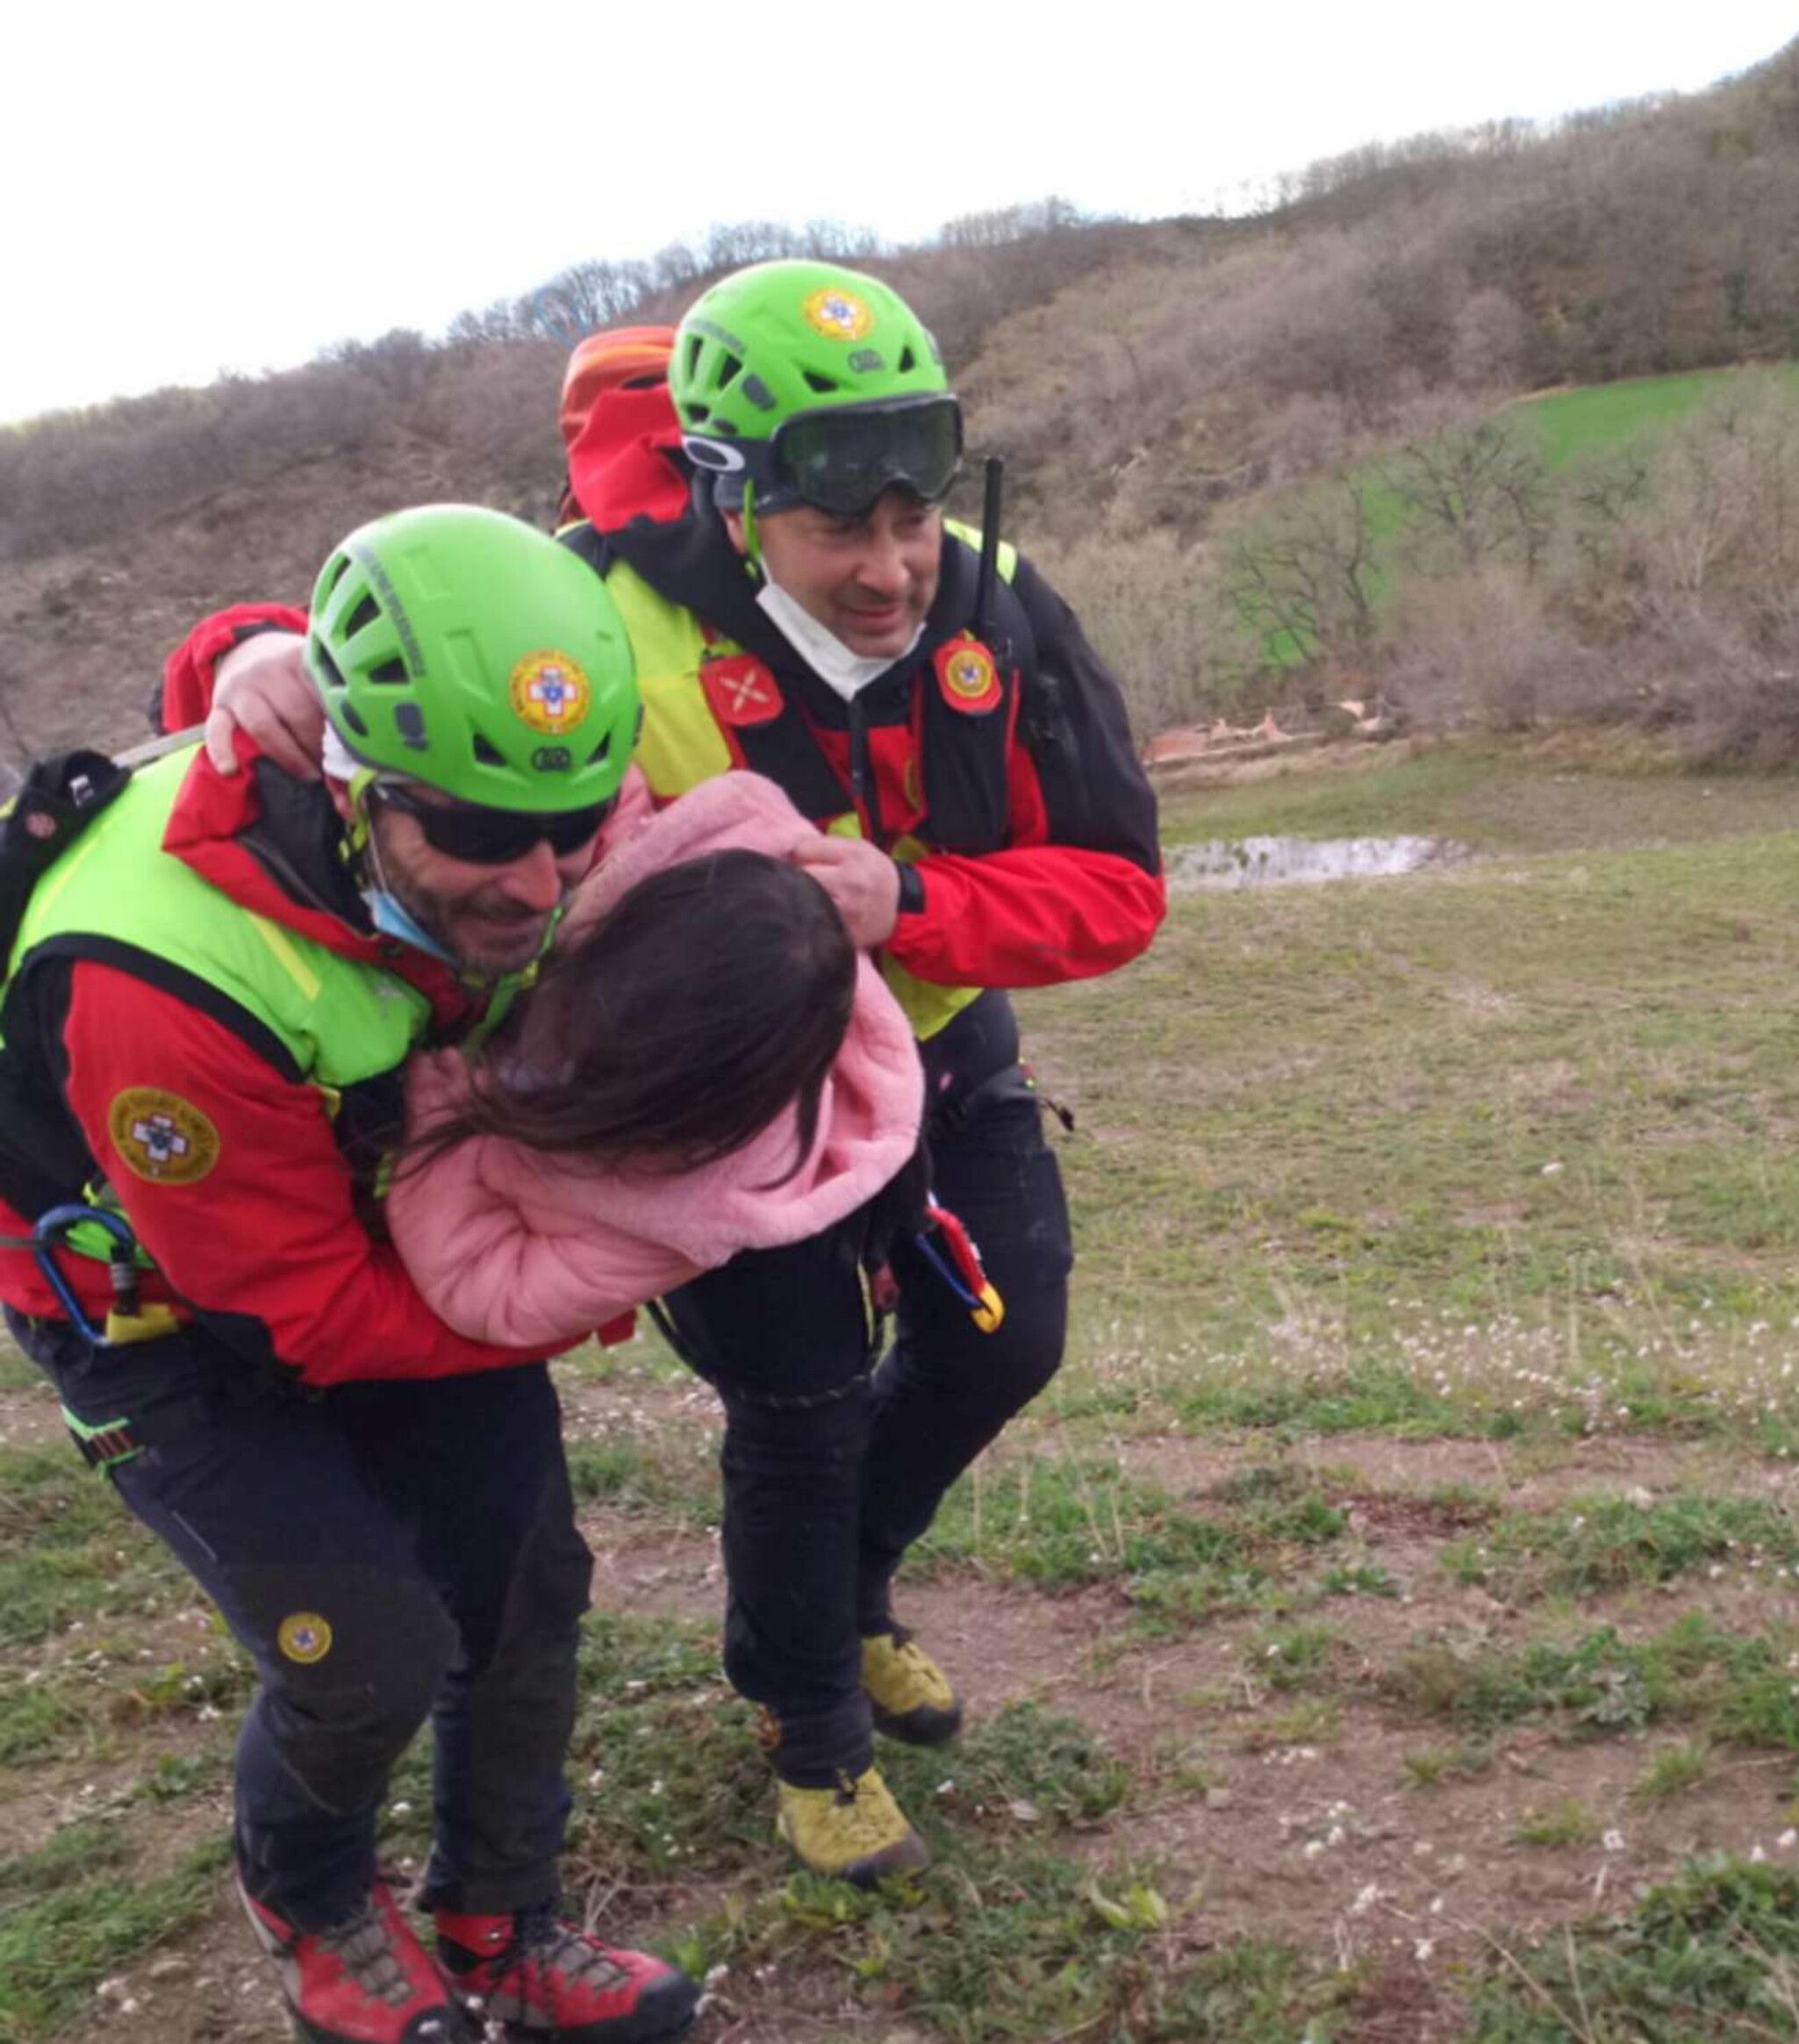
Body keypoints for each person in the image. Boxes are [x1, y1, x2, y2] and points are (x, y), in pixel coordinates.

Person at [180, 257, 1168, 1883]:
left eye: (914, 518)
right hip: (714, 1095)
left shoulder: (995, 602)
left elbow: (1121, 885)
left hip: (933, 1040)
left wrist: (913, 904)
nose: (890, 569)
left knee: (1006, 1336)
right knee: (802, 1404)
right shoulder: (601, 604)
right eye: (841, 529)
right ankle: (807, 1714)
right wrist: (244, 656)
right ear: (729, 491)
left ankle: (845, 1594)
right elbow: (397, 649)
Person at [0, 506, 699, 2043]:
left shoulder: (523, 804)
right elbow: (298, 1314)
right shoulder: (155, 971)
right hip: (160, 1307)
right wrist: (568, 1292)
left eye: (573, 822)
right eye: (479, 834)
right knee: (364, 1647)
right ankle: (311, 1896)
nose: (539, 882)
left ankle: (500, 1915)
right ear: (350, 782)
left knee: (525, 1583)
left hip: (387, 1228)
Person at [386, 773, 925, 1351]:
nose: (572, 1035)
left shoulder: (694, 1206)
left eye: (606, 1058)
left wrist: (437, 1132)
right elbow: (601, 791)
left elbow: (496, 1294)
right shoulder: (669, 865)